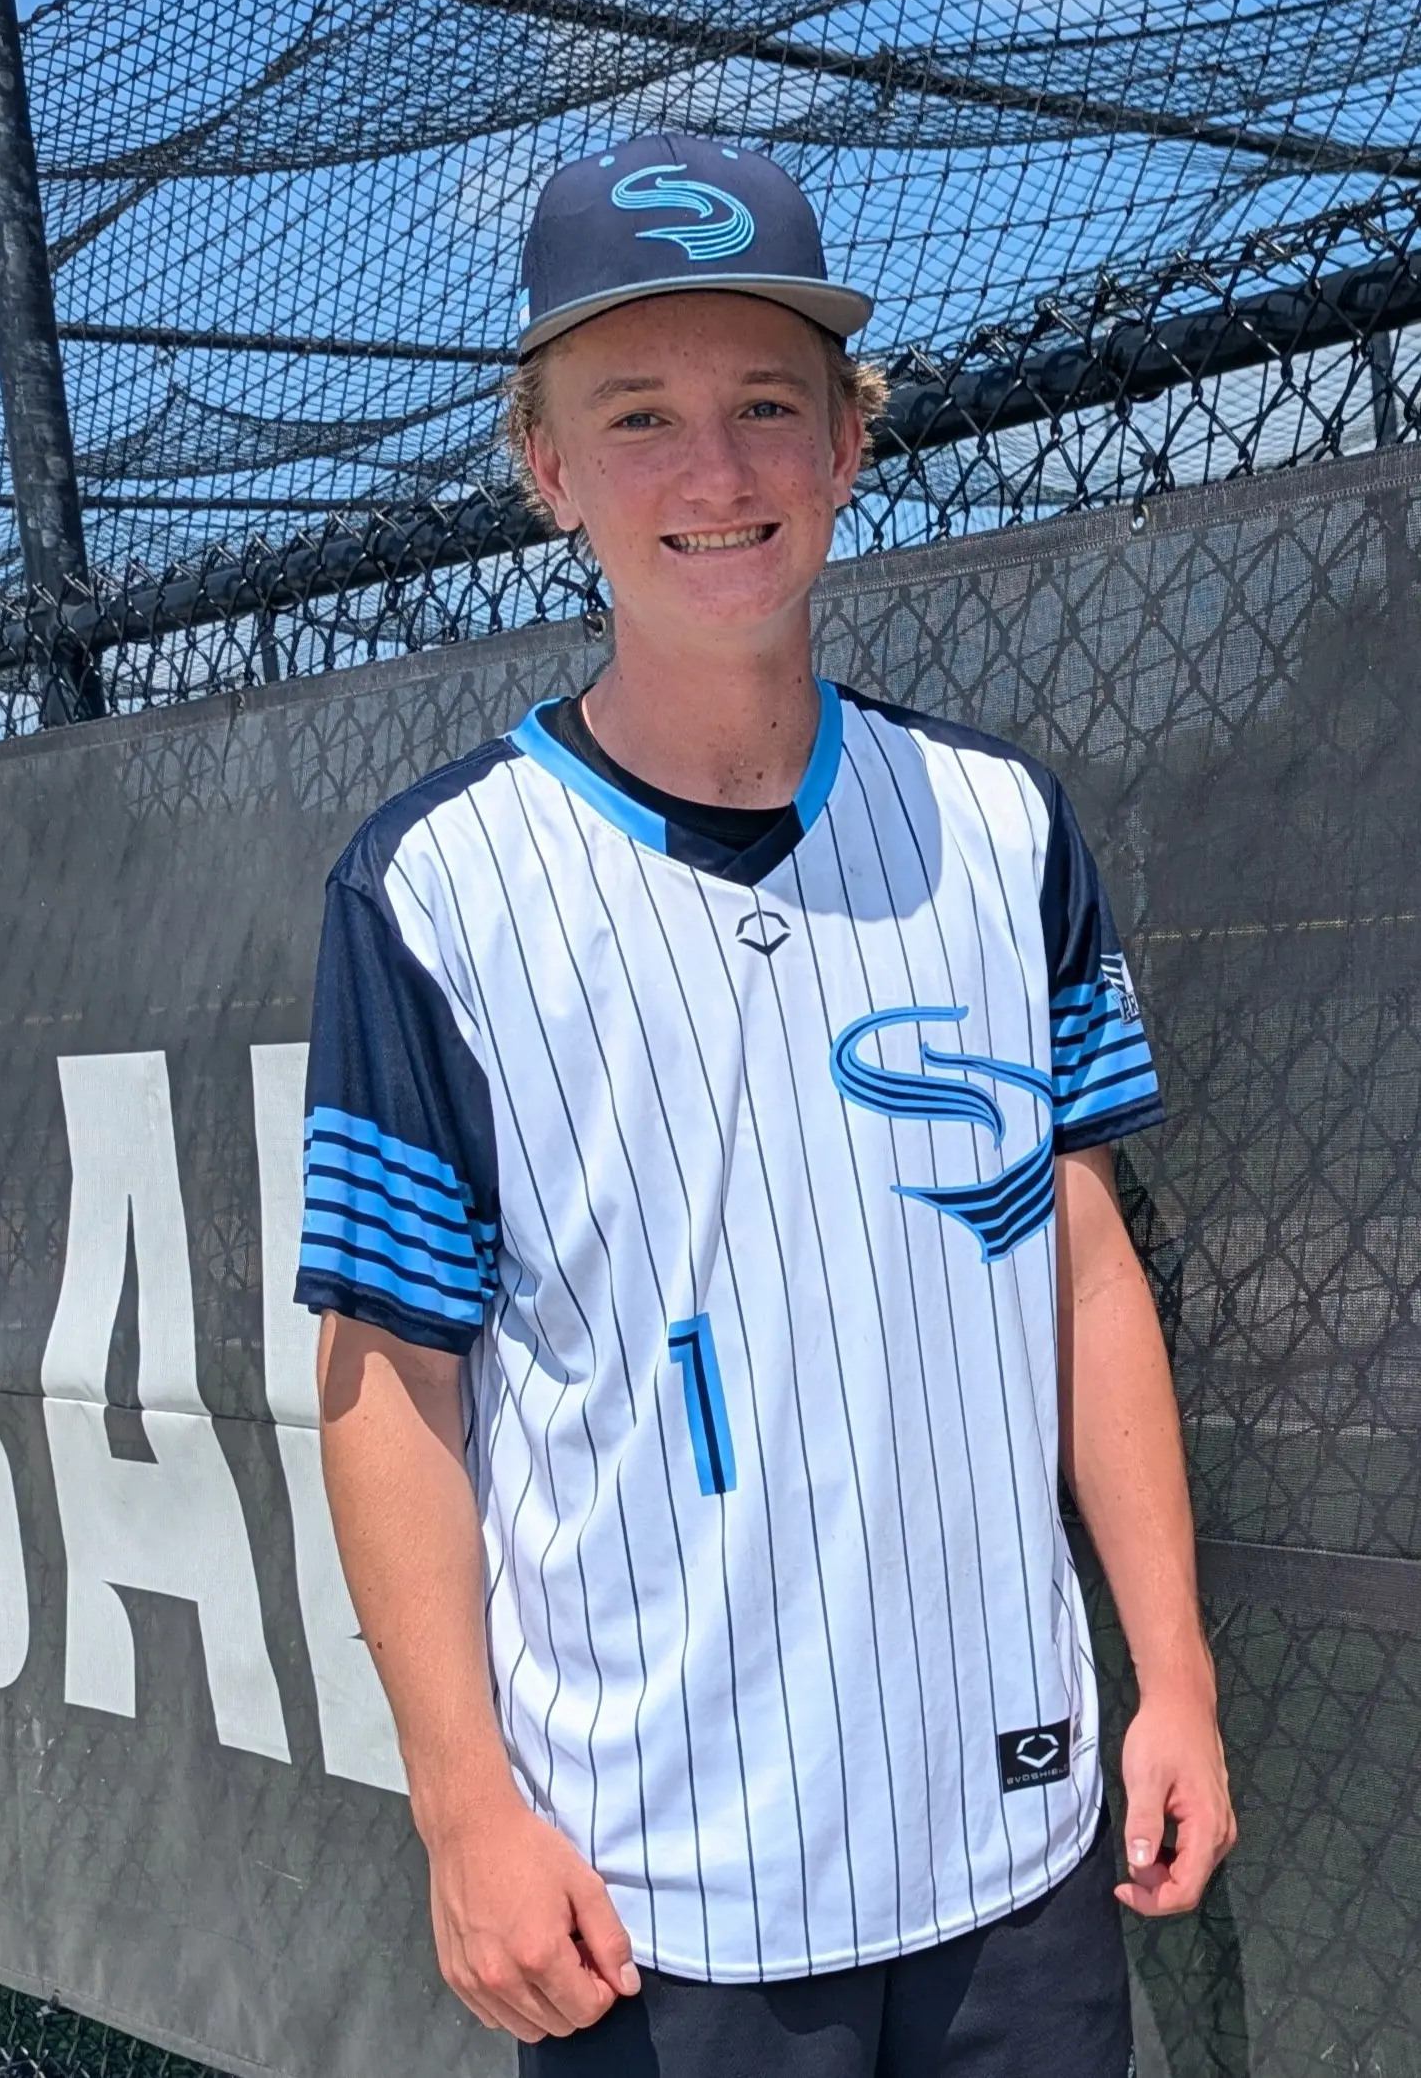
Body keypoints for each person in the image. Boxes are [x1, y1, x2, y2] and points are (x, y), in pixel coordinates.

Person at [295, 133, 1235, 2077]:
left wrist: (1176, 1680)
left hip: (1011, 1838)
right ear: (545, 467)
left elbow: (1082, 1270)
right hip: (654, 1886)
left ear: (847, 444)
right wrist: (462, 1810)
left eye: (765, 407)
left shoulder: (999, 825)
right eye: (636, 415)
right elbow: (389, 1378)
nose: (713, 473)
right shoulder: (429, 886)